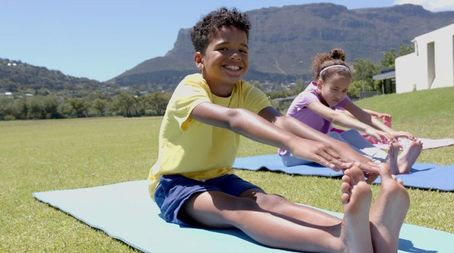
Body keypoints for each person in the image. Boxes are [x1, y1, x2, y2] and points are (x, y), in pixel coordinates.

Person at [148, 8, 409, 253]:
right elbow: (232, 118)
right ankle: (340, 243)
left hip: (221, 178)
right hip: (177, 184)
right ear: (199, 59)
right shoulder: (190, 89)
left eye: (242, 49)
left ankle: (360, 233)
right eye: (223, 49)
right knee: (237, 208)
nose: (236, 56)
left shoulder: (245, 91)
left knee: (273, 202)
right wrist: (293, 143)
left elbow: (279, 120)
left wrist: (343, 148)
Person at [280, 48, 423, 174]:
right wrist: (368, 129)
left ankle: (391, 161)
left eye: (344, 90)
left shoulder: (337, 95)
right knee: (333, 138)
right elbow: (334, 116)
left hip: (317, 145)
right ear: (320, 84)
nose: (339, 95)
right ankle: (381, 166)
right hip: (293, 154)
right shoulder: (306, 98)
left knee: (351, 135)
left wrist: (390, 132)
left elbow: (361, 114)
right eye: (335, 89)